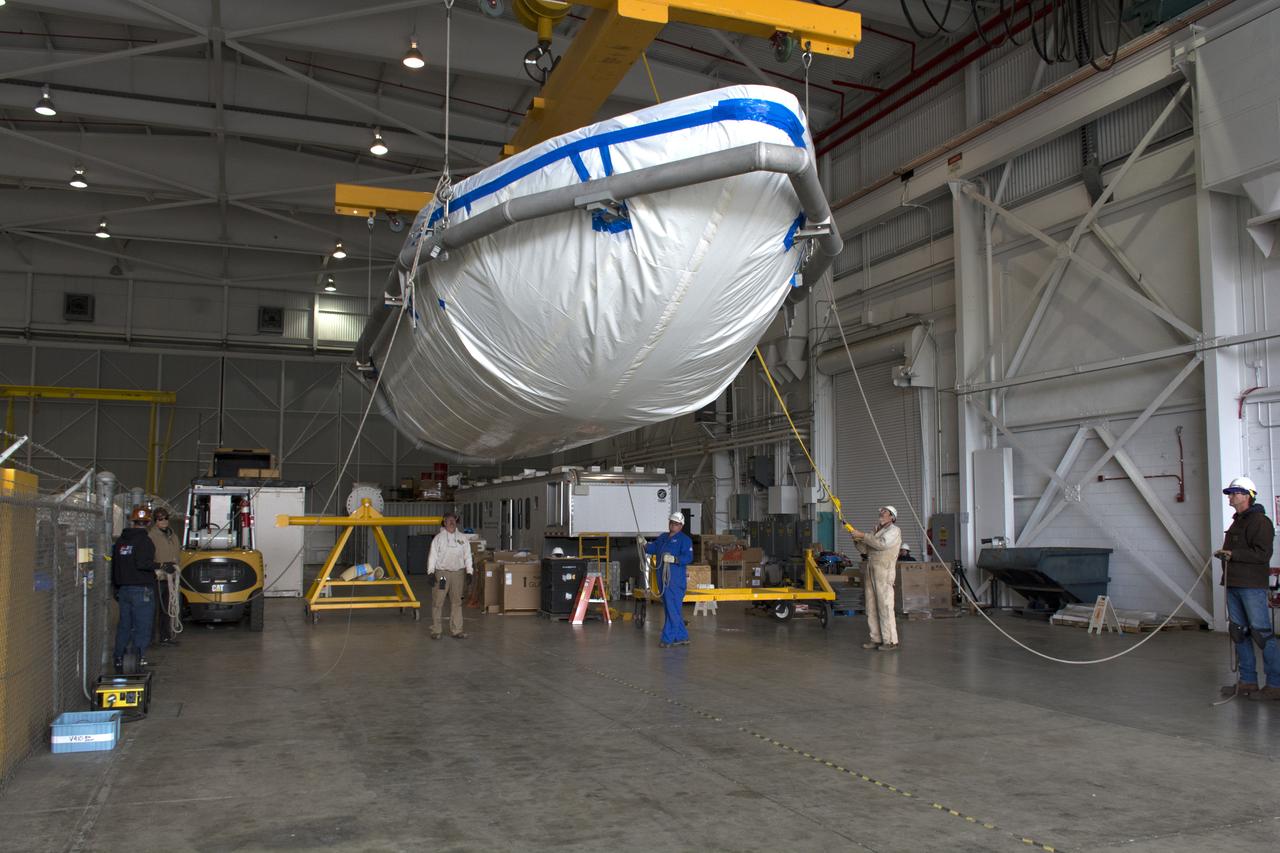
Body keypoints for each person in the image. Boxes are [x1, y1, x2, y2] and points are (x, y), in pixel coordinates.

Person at [1215, 477, 1279, 701]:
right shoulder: (1238, 521)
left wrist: (1234, 554)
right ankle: (1248, 682)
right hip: (1233, 583)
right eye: (1230, 493)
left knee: (1261, 633)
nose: (1230, 497)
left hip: (1251, 585)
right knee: (1239, 632)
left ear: (1247, 496)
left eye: (1234, 493)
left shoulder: (1260, 522)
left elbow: (1263, 554)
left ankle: (1275, 684)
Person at [849, 506, 902, 651]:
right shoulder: (876, 530)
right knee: (871, 606)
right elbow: (865, 549)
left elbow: (882, 544)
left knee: (885, 605)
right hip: (871, 569)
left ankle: (890, 641)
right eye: (881, 511)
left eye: (885, 512)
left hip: (884, 571)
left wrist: (863, 535)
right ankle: (876, 639)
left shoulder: (894, 531)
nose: (881, 513)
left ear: (892, 517)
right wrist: (856, 539)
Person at [113, 505, 158, 671]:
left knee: (125, 625)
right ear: (148, 523)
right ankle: (137, 659)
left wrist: (116, 587)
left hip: (124, 589)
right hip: (142, 589)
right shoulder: (145, 541)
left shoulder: (120, 542)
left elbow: (115, 565)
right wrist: (161, 566)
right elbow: (143, 564)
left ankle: (118, 658)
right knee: (142, 626)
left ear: (132, 522)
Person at [639, 512, 694, 648]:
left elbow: (688, 557)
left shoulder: (685, 540)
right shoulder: (663, 537)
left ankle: (667, 638)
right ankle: (682, 636)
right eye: (671, 522)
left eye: (675, 524)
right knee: (672, 609)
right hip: (662, 579)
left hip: (674, 580)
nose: (672, 525)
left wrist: (676, 559)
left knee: (672, 610)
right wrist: (645, 544)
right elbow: (653, 548)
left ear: (681, 525)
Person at [427, 512, 473, 640]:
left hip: (458, 574)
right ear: (444, 523)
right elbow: (433, 556)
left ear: (456, 522)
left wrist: (469, 572)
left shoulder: (463, 539)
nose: (452, 522)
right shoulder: (438, 539)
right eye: (449, 520)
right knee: (438, 600)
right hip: (442, 575)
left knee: (457, 602)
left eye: (453, 520)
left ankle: (457, 630)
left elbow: (468, 556)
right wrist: (430, 572)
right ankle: (436, 630)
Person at [148, 507, 182, 646]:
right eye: (160, 519)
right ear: (155, 521)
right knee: (153, 609)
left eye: (165, 518)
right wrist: (160, 566)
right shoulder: (151, 536)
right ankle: (149, 639)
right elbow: (148, 558)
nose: (163, 521)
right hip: (157, 578)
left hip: (171, 578)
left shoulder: (173, 535)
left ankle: (165, 637)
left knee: (167, 609)